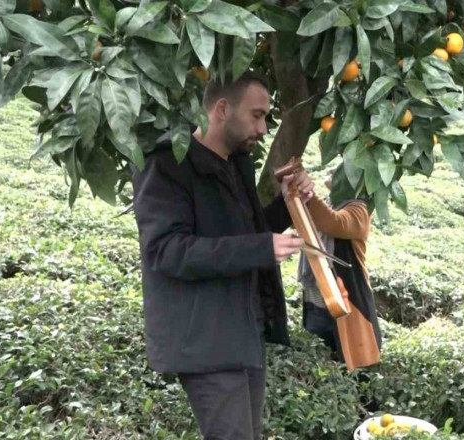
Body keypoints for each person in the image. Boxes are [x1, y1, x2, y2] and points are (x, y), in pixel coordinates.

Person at [131, 71, 314, 440]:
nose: (263, 128)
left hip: (244, 331)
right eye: (257, 115)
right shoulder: (169, 163)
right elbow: (167, 251)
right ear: (221, 109)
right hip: (206, 339)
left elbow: (249, 230)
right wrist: (261, 248)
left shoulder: (235, 163)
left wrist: (289, 204)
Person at [298, 167, 382, 369]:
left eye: (343, 170)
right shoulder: (331, 204)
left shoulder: (359, 210)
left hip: (348, 302)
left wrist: (308, 196)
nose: (332, 170)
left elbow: (331, 223)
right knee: (321, 367)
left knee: (355, 366)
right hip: (319, 299)